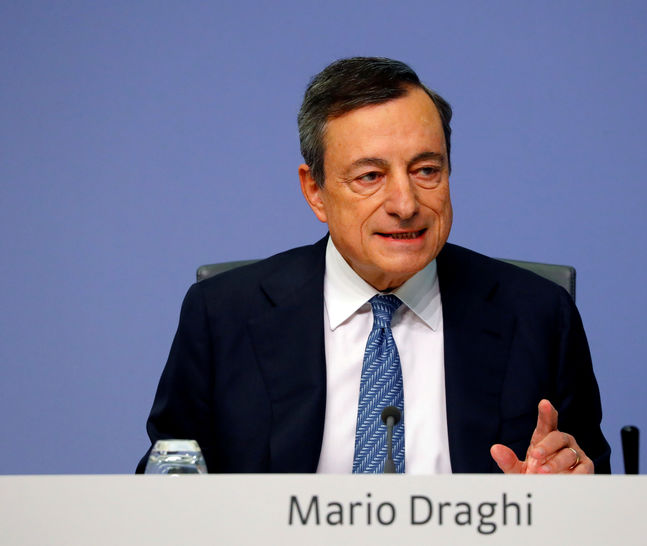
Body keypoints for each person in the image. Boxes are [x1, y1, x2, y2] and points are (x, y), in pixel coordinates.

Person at [137, 57, 610, 474]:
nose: (405, 204)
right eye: (370, 176)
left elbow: (595, 493)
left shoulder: (538, 314)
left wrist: (562, 491)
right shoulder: (224, 315)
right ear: (315, 191)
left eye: (426, 170)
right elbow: (165, 487)